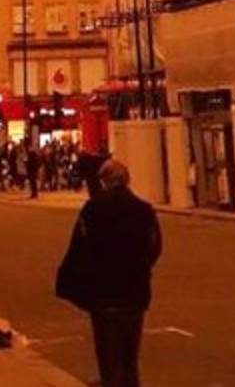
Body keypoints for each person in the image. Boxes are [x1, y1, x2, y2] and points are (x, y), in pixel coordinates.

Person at [56, 160, 161, 387]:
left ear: (104, 181)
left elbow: (79, 248)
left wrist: (75, 281)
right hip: (135, 291)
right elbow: (154, 248)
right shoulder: (144, 210)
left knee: (109, 356)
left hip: (104, 292)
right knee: (130, 355)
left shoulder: (93, 209)